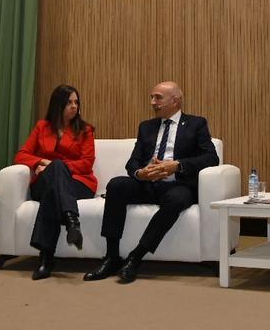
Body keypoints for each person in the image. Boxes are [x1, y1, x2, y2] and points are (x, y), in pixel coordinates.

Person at [84, 81, 219, 283]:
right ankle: (111, 257)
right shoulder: (146, 127)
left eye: (158, 97)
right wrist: (141, 172)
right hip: (147, 184)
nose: (152, 102)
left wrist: (177, 165)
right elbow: (133, 162)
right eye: (152, 97)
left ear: (175, 100)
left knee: (176, 199)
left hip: (177, 185)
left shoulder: (196, 124)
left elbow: (211, 158)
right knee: (116, 185)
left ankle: (135, 257)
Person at [13, 84, 97, 280]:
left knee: (57, 175)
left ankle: (46, 258)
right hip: (45, 183)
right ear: (57, 104)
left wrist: (56, 167)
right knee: (55, 174)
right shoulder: (42, 127)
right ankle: (71, 222)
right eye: (69, 102)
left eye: (77, 102)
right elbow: (21, 155)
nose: (74, 106)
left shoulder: (85, 130)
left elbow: (86, 164)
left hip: (78, 183)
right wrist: (43, 163)